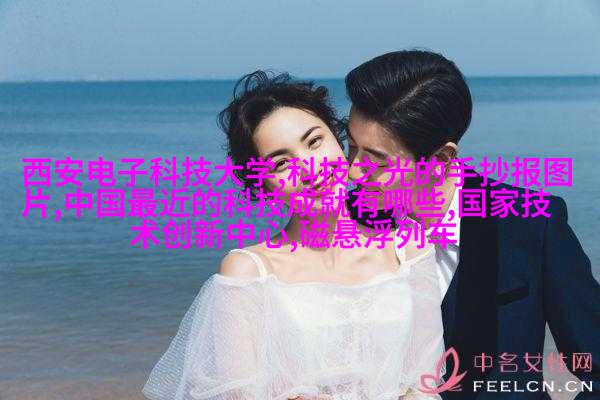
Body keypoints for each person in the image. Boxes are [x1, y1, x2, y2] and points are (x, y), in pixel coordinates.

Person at [142, 71, 446, 400]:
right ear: (263, 184)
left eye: (315, 142)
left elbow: (426, 384)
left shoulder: (408, 249)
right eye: (282, 163)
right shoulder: (248, 272)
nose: (311, 171)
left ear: (340, 141)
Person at [344, 49, 600, 399]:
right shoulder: (343, 221)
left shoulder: (532, 224)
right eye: (351, 146)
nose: (353, 171)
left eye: (376, 161)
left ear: (441, 158)